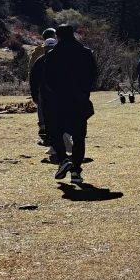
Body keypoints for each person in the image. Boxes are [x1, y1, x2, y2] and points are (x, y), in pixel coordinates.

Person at [39, 22, 97, 183]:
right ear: (73, 34)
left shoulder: (53, 55)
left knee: (54, 132)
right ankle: (76, 172)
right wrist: (83, 91)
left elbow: (46, 81)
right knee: (79, 137)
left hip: (58, 101)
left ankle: (64, 159)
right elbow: (93, 75)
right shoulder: (85, 53)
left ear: (57, 36)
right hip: (79, 100)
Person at [28, 27, 57, 148]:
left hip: (41, 88)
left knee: (42, 109)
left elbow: (32, 72)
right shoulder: (61, 57)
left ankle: (45, 129)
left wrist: (33, 91)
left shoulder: (37, 54)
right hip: (54, 89)